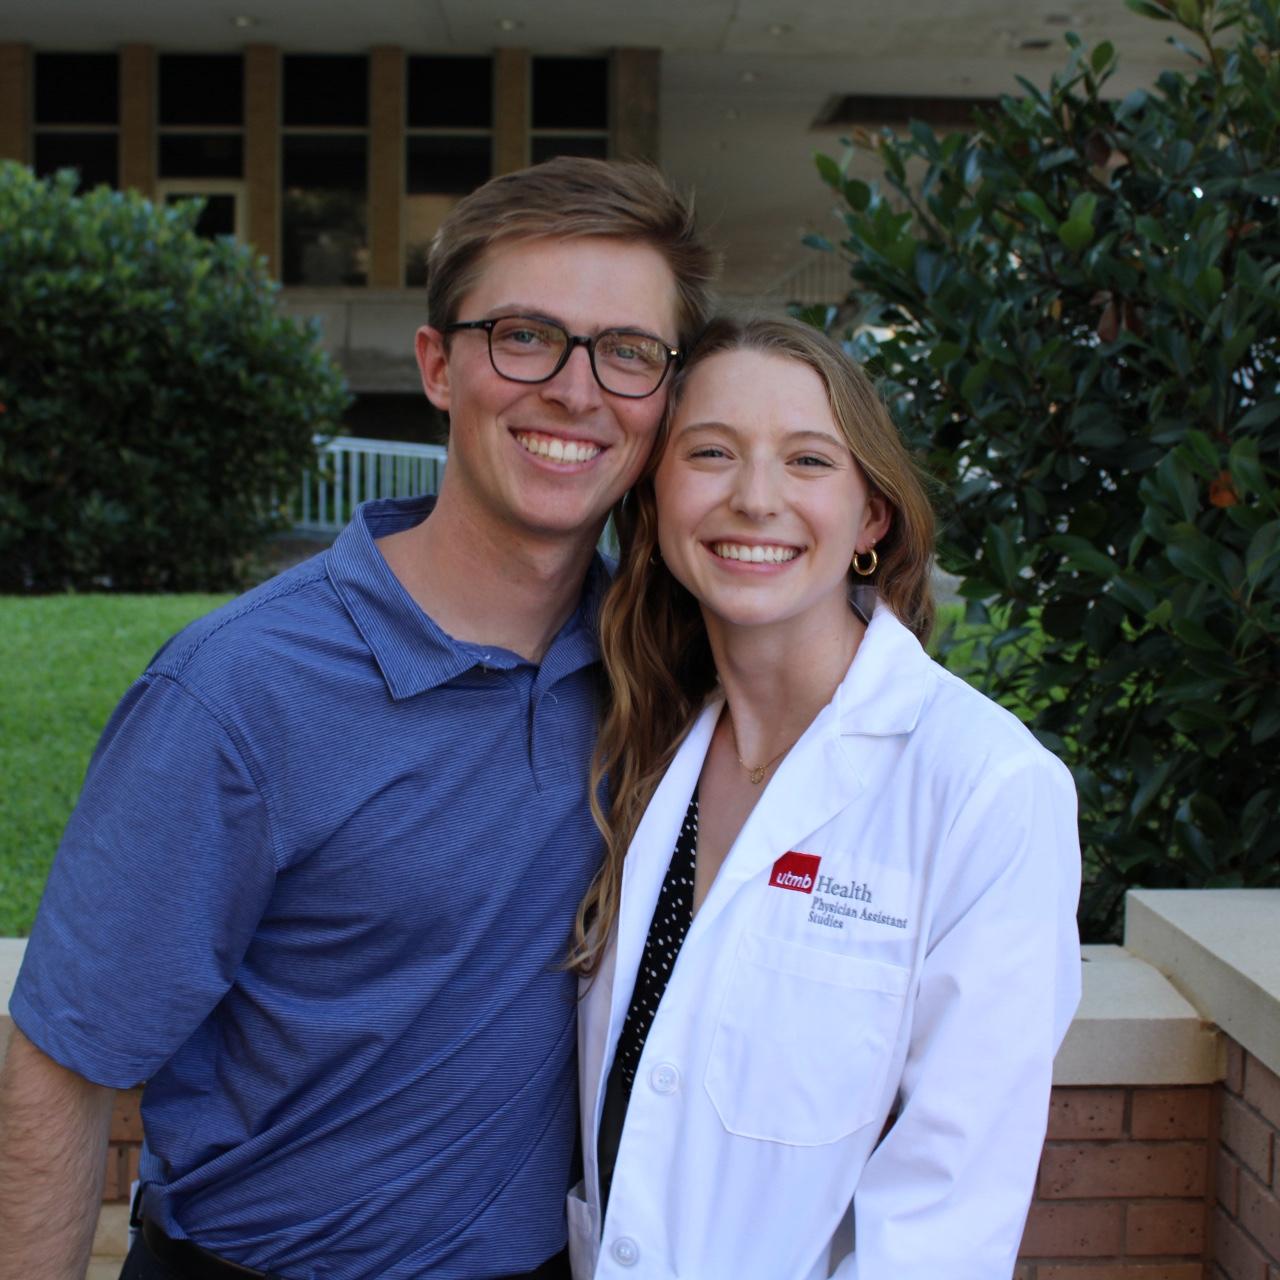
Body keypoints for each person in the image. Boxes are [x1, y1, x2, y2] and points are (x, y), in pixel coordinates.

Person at [0, 156, 715, 1280]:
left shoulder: (660, 658)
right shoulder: (237, 690)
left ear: (665, 395)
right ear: (437, 364)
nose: (577, 391)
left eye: (626, 352)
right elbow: (62, 1059)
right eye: (524, 334)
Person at [564, 316, 1082, 1280]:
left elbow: (946, 1217)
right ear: (657, 496)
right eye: (711, 452)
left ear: (870, 518)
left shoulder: (986, 789)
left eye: (808, 460)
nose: (755, 499)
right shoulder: (639, 745)